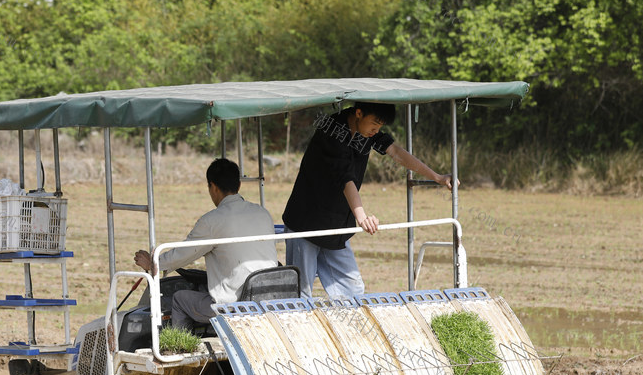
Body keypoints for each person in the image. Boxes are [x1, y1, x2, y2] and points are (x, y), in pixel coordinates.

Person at [282, 102, 453, 299]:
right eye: (375, 124)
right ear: (358, 113)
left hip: (336, 225)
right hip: (306, 222)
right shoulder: (332, 129)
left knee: (353, 291)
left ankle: (347, 329)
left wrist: (437, 177)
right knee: (300, 293)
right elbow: (345, 177)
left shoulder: (367, 132)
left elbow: (396, 152)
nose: (376, 130)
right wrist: (362, 217)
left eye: (380, 127)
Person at [134, 158, 277, 331]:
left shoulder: (212, 221)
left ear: (213, 187)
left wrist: (153, 263)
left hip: (235, 305)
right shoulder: (263, 213)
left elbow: (183, 254)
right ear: (239, 185)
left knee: (179, 299)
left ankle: (179, 349)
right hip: (270, 296)